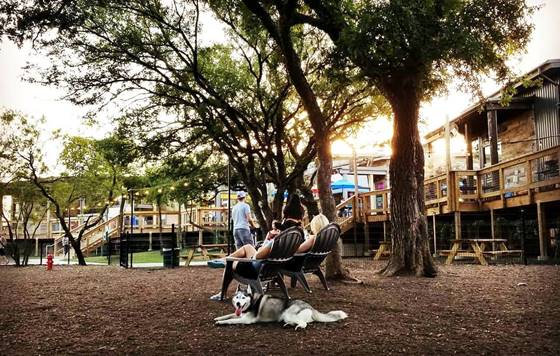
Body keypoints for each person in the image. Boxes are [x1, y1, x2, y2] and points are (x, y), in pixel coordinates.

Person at [210, 195, 305, 300]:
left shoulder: (277, 242)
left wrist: (265, 244)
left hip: (257, 268)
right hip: (274, 268)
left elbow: (258, 256)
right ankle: (223, 259)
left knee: (231, 262)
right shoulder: (295, 236)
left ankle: (222, 289)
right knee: (248, 246)